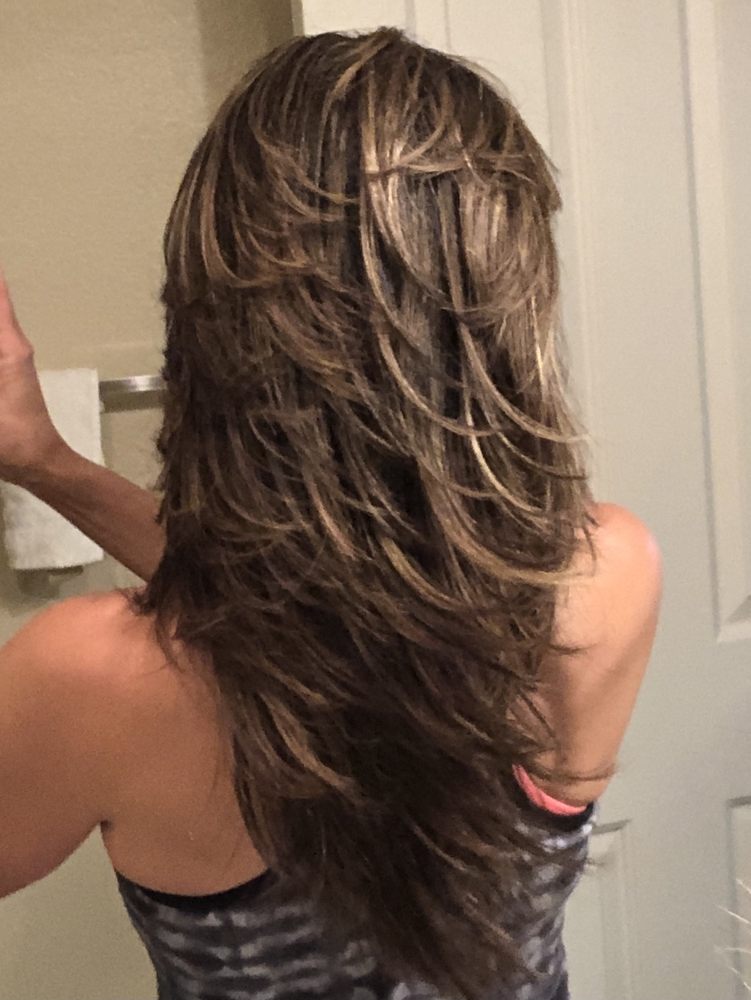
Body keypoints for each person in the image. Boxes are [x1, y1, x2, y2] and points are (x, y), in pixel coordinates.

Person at [0, 26, 662, 1000]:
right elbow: (325, 608)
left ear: (214, 320)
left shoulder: (93, 679)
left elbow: (284, 621)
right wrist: (49, 465)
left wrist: (46, 466)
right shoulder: (609, 573)